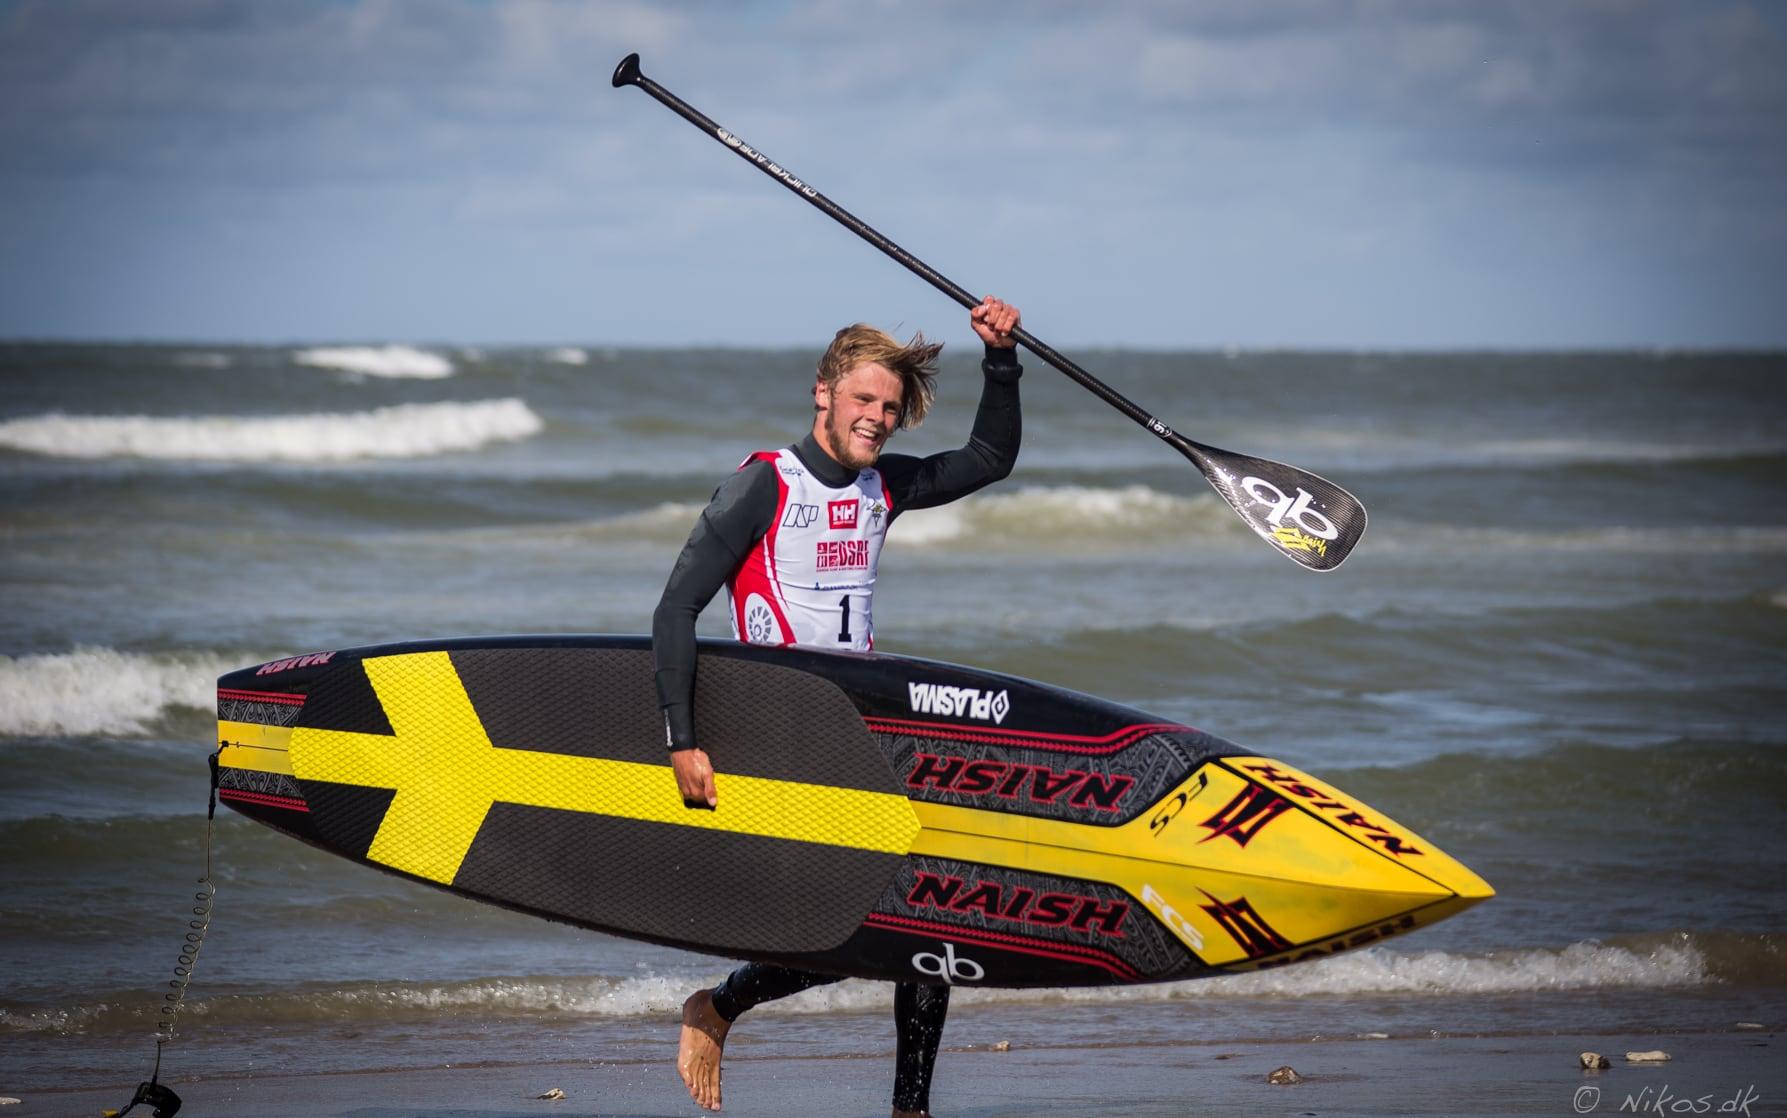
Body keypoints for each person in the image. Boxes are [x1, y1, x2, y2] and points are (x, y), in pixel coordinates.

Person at [650, 295, 1024, 1116]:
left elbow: (989, 456)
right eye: (863, 400)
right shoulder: (762, 487)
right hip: (778, 737)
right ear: (822, 392)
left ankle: (908, 1108)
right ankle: (718, 1005)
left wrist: (1001, 358)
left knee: (926, 929)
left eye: (890, 408)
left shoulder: (882, 487)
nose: (878, 419)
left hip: (860, 734)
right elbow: (675, 610)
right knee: (862, 935)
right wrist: (684, 739)